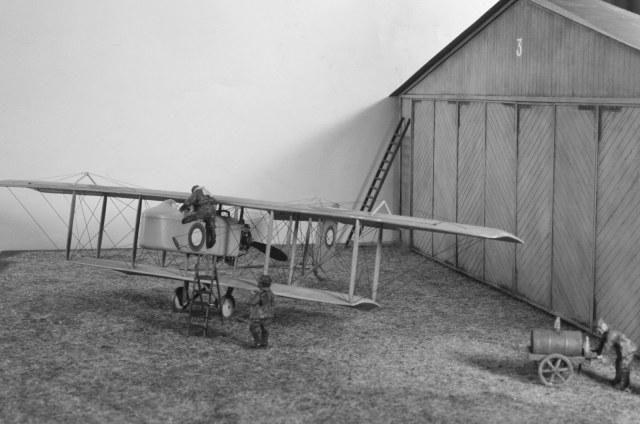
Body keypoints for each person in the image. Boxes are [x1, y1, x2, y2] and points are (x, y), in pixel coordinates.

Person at [592, 317, 638, 390]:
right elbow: (602, 343)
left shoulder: (611, 334)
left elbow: (607, 347)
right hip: (622, 350)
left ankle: (624, 384)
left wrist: (602, 356)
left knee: (624, 365)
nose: (597, 333)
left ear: (602, 327)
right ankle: (618, 380)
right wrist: (597, 351)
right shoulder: (605, 334)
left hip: (628, 349)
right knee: (618, 364)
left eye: (598, 330)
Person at [247, 274, 275, 349]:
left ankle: (258, 343)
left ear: (261, 284)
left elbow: (251, 302)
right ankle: (264, 343)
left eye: (259, 282)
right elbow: (273, 303)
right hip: (268, 314)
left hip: (257, 315)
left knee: (253, 328)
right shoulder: (271, 292)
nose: (257, 283)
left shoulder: (260, 293)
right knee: (265, 329)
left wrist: (251, 295)